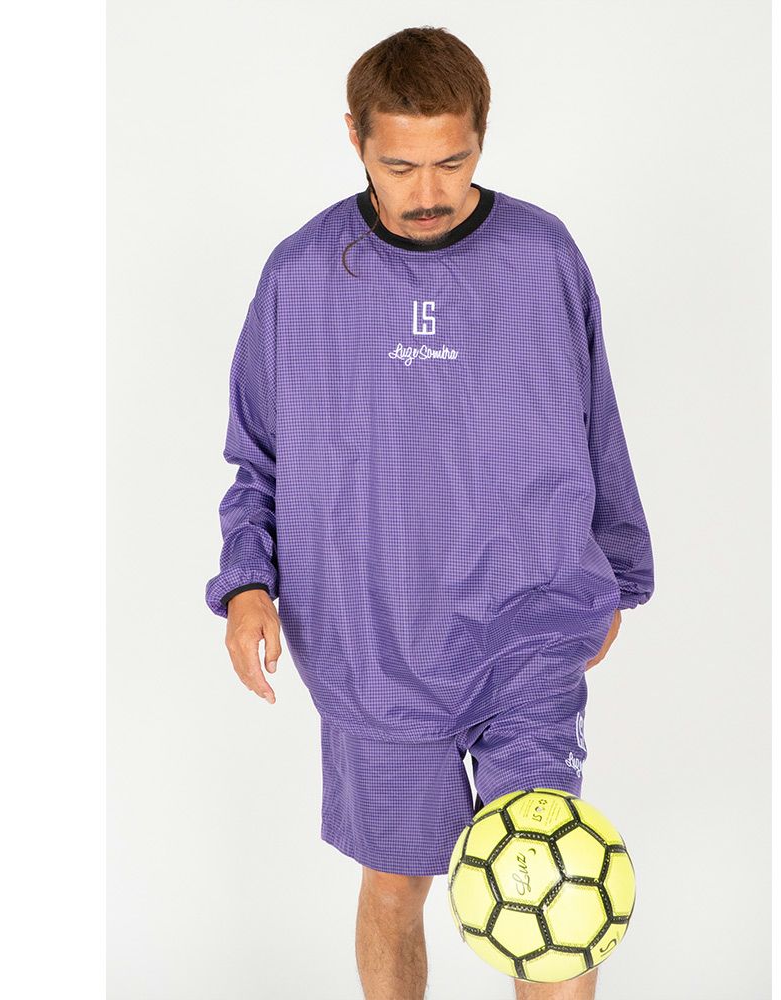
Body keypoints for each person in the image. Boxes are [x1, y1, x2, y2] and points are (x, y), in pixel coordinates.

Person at [205, 25, 654, 1000]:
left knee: (553, 885)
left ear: (481, 137)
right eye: (399, 166)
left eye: (452, 162)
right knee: (396, 883)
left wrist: (619, 576)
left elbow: (597, 421)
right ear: (356, 138)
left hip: (529, 621)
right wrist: (246, 584)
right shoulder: (301, 275)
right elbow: (257, 456)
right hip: (372, 640)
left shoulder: (540, 255)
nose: (428, 192)